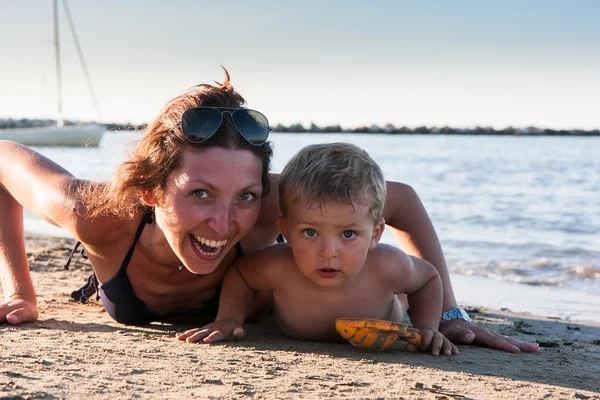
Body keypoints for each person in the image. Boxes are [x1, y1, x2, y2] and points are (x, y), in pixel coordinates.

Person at [0, 69, 539, 353]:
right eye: (200, 194)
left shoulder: (281, 205)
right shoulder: (97, 215)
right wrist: (20, 291)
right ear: (151, 190)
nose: (225, 222)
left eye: (247, 197)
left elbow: (400, 199)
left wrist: (449, 315)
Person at [177, 143, 459, 356]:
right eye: (310, 232)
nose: (328, 252)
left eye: (348, 234)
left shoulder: (387, 264)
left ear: (375, 234)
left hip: (385, 306)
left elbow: (428, 278)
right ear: (285, 231)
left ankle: (400, 300)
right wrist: (229, 318)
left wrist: (428, 328)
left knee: (400, 297)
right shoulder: (278, 266)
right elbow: (241, 274)